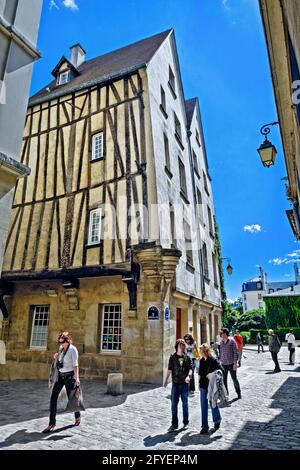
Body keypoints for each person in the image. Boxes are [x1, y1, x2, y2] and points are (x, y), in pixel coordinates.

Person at [43, 331, 81, 433]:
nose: (61, 344)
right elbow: (60, 360)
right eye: (59, 342)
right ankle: (52, 423)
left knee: (72, 398)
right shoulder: (61, 349)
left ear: (67, 340)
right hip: (60, 376)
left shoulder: (73, 350)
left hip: (69, 376)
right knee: (53, 398)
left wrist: (77, 378)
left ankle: (77, 416)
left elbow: (75, 365)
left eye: (62, 342)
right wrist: (57, 356)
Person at [164, 339, 193, 432]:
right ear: (177, 346)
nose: (182, 347)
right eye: (180, 345)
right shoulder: (172, 357)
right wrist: (165, 380)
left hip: (184, 384)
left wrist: (188, 376)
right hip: (175, 384)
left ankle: (185, 422)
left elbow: (190, 369)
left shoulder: (187, 357)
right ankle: (174, 424)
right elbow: (169, 369)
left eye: (183, 345)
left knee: (185, 404)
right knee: (173, 404)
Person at [198, 343, 224, 434]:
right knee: (203, 406)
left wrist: (213, 375)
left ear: (204, 351)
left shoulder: (213, 360)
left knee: (213, 403)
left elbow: (221, 371)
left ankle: (217, 420)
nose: (199, 352)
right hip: (203, 386)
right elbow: (200, 374)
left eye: (200, 350)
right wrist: (199, 384)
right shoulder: (201, 361)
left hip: (212, 386)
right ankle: (204, 427)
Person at [219, 328, 241, 399]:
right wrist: (220, 362)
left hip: (231, 364)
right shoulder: (221, 343)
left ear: (225, 334)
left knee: (234, 379)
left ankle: (238, 393)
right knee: (224, 380)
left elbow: (235, 353)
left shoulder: (232, 342)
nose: (220, 334)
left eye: (221, 333)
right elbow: (221, 353)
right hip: (223, 364)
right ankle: (226, 394)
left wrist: (235, 363)